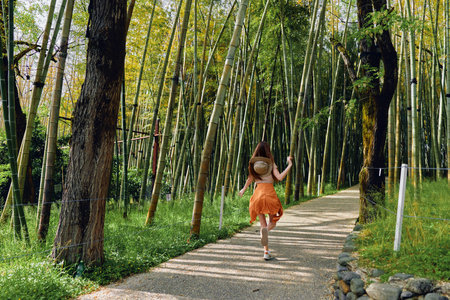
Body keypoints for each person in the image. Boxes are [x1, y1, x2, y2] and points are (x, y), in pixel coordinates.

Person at [239, 141, 293, 260]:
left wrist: (243, 190)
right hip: (269, 196)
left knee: (263, 226)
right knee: (272, 223)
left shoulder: (255, 166)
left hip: (257, 196)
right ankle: (266, 233)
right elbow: (279, 177)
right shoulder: (271, 164)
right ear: (268, 150)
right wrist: (289, 164)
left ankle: (266, 252)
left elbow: (249, 179)